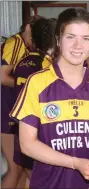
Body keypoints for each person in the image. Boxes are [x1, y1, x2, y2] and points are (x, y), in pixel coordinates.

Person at [9, 7, 89, 189]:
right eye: (70, 37)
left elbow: (87, 138)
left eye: (85, 38)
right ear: (58, 40)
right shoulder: (37, 82)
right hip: (49, 184)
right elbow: (27, 144)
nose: (78, 45)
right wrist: (74, 163)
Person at [12, 18, 56, 185]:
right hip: (40, 134)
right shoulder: (48, 66)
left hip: (21, 128)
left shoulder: (21, 63)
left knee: (29, 178)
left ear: (33, 39)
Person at [1, 15, 42, 189]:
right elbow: (2, 77)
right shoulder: (15, 43)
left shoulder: (27, 48)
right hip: (5, 111)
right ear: (27, 27)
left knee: (19, 168)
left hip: (14, 111)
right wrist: (26, 85)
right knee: (15, 168)